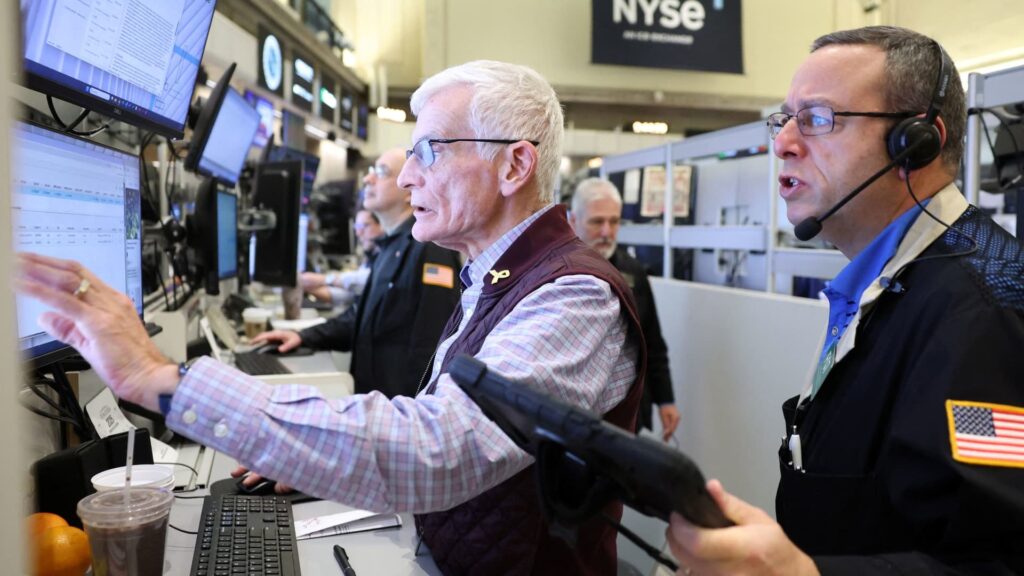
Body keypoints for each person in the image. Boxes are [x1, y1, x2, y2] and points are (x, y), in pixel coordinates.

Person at [17, 60, 647, 575]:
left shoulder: (574, 298)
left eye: (429, 150)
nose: (408, 177)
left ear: (514, 166)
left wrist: (162, 380)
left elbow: (440, 448)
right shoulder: (493, 277)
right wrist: (314, 458)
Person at [666, 26, 1024, 574]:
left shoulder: (986, 311)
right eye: (785, 119)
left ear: (915, 143)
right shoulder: (885, 280)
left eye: (818, 118)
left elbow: (994, 563)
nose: (783, 143)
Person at [252, 148, 462, 399]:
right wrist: (303, 336)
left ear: (409, 190)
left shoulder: (430, 249)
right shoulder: (388, 246)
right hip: (373, 399)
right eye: (371, 171)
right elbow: (359, 320)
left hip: (399, 406)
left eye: (382, 172)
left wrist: (416, 408)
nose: (367, 179)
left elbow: (432, 341)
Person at [570, 177, 680, 441]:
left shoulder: (633, 273)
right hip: (575, 414)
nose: (606, 232)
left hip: (628, 413)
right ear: (573, 221)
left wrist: (666, 400)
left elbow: (652, 341)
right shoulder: (559, 273)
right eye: (597, 222)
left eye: (614, 221)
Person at [300, 208, 382, 306]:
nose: (358, 233)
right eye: (356, 227)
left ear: (382, 225)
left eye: (364, 226)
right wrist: (306, 286)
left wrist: (325, 279)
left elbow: (369, 281)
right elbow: (351, 295)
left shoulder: (388, 256)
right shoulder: (371, 256)